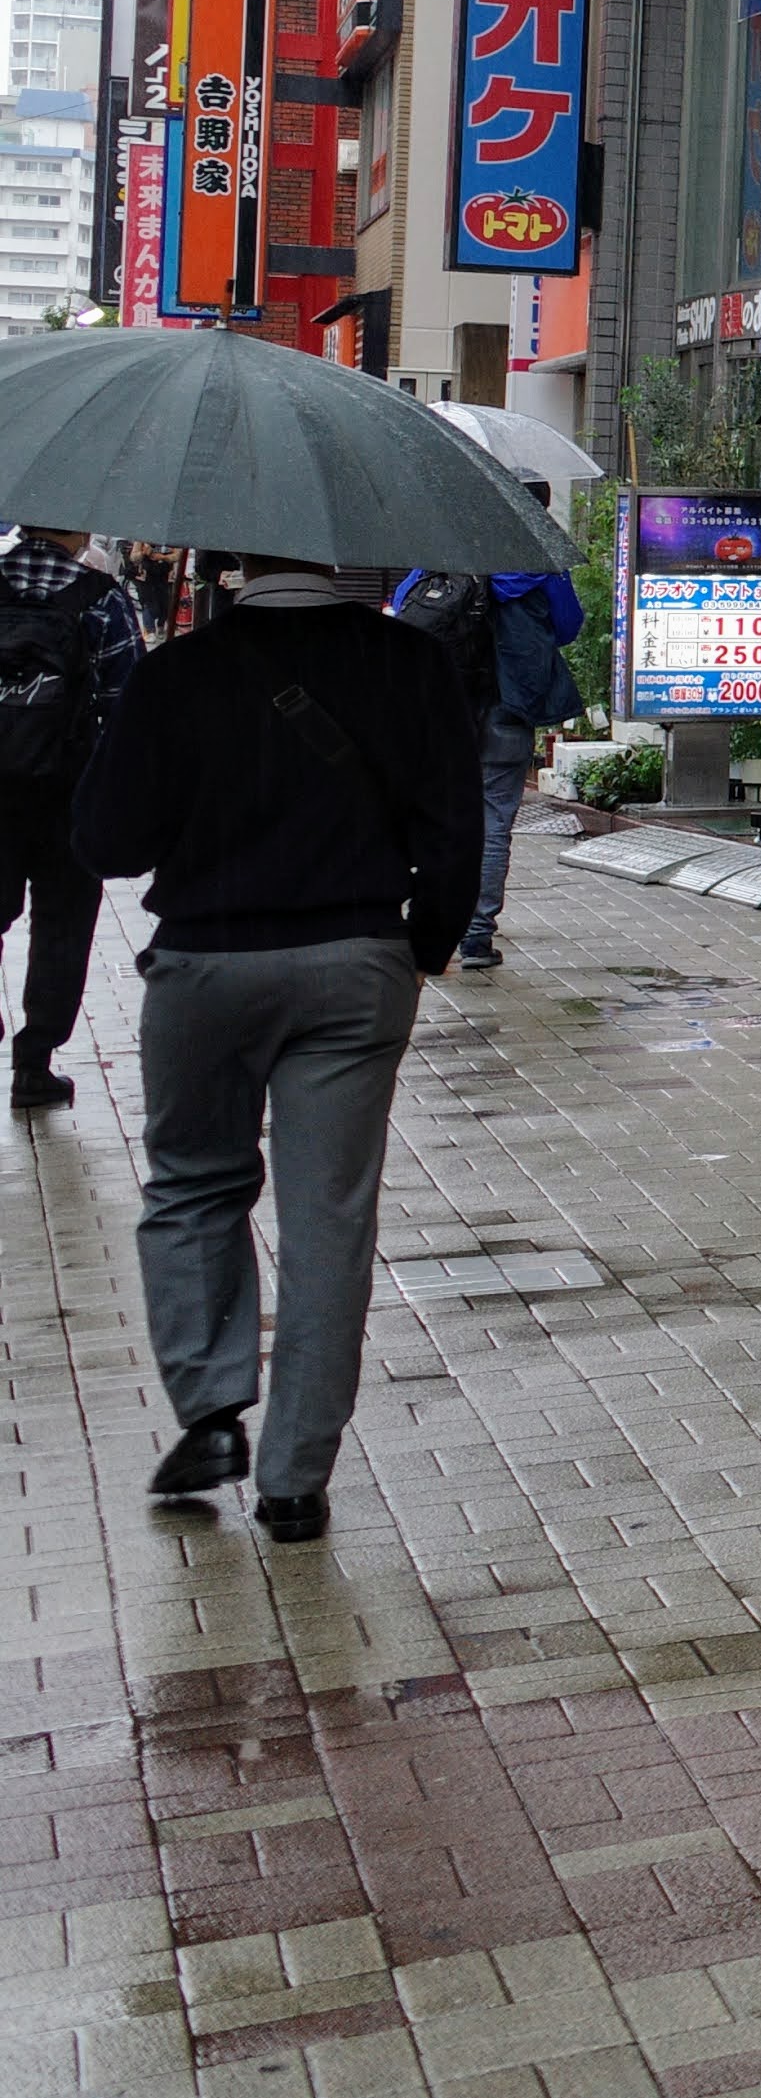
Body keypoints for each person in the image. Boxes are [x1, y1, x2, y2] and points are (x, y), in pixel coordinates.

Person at [72, 546, 480, 1540]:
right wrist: (420, 944)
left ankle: (210, 1412)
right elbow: (455, 829)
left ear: (235, 557)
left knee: (192, 1186)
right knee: (328, 1218)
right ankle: (295, 1476)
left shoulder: (176, 672)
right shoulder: (410, 662)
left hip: (207, 966)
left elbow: (109, 843)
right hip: (354, 964)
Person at [396, 504, 589, 966]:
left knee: (439, 818)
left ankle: (427, 926)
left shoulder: (448, 554)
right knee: (493, 822)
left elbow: (405, 602)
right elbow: (568, 627)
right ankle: (477, 937)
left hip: (446, 709)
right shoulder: (538, 562)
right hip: (508, 706)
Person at [0, 523, 149, 1109]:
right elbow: (127, 701)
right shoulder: (100, 598)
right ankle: (35, 1063)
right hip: (69, 791)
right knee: (62, 926)